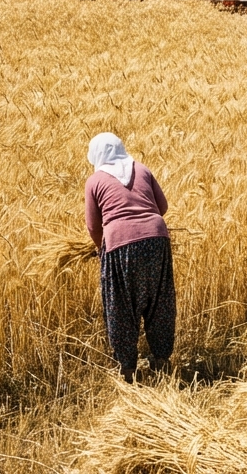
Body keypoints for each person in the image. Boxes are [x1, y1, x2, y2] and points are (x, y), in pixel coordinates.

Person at [84, 133, 176, 383]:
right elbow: (163, 207)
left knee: (121, 306)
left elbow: (93, 226)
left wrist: (101, 250)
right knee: (160, 300)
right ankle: (162, 362)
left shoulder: (95, 181)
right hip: (157, 239)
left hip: (119, 243)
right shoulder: (142, 169)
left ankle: (127, 371)